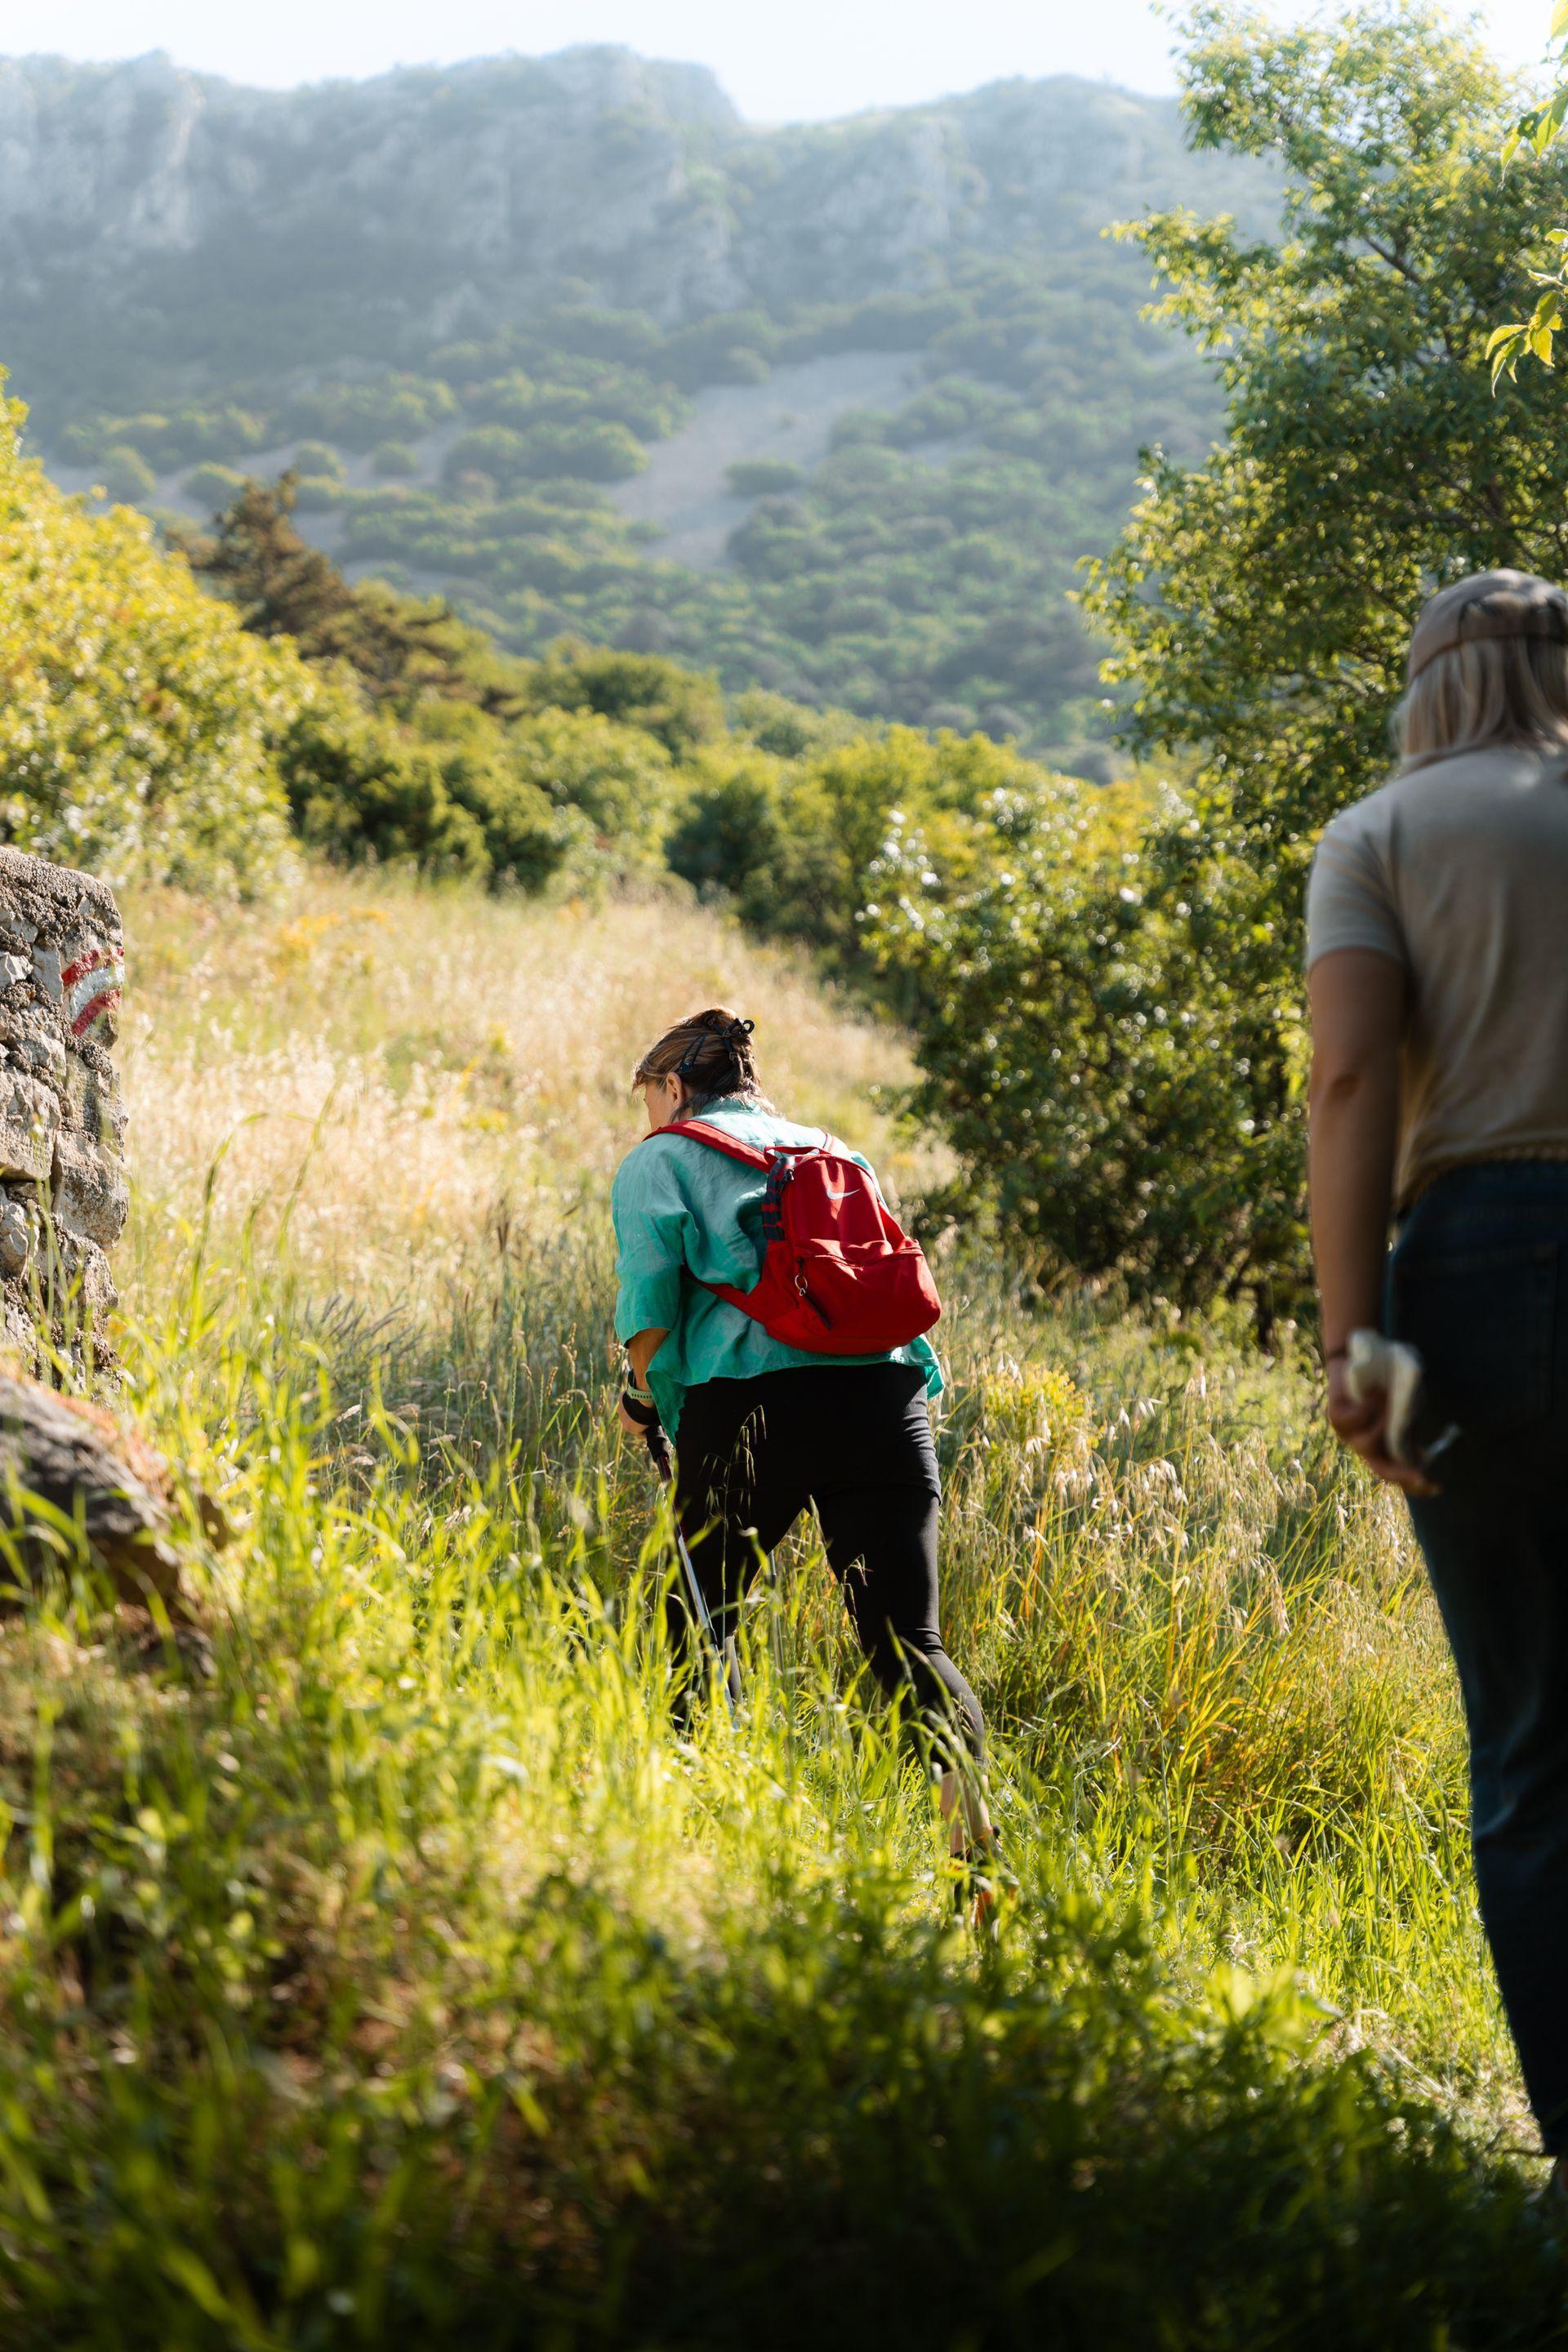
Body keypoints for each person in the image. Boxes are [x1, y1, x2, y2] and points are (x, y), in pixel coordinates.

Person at [1306, 568, 1568, 2180]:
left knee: (1534, 1745)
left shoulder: (1380, 834)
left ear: (1427, 683)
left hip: (1479, 1274)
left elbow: (1349, 1081)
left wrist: (1356, 1342)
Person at [610, 1004, 994, 1882]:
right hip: (886, 1400)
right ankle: (977, 1857)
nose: (650, 1116)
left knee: (697, 1617)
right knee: (909, 1641)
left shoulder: (661, 1160)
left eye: (650, 1098)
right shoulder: (834, 1150)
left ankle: (691, 1842)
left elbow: (650, 1306)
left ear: (674, 1086)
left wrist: (640, 1400)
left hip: (752, 1405)